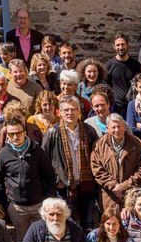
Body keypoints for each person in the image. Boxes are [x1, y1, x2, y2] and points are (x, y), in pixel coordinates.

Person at [0, 118, 56, 242]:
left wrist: (48, 199)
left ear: (24, 132)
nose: (15, 136)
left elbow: (50, 175)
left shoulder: (37, 151)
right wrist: (5, 203)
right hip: (17, 208)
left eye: (18, 133)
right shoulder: (4, 154)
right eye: (11, 134)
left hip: (39, 205)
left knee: (42, 240)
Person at [42, 95, 99, 229]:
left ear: (79, 112)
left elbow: (97, 157)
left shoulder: (89, 131)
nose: (70, 113)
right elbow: (44, 160)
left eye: (73, 109)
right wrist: (57, 180)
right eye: (66, 110)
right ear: (59, 112)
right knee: (66, 223)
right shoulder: (53, 132)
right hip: (64, 187)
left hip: (86, 185)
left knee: (88, 223)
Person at [91, 114, 141, 214]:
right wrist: (113, 186)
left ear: (124, 127)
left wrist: (125, 186)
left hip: (131, 193)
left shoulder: (137, 144)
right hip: (109, 194)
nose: (117, 130)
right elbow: (96, 169)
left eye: (119, 126)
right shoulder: (99, 145)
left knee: (130, 224)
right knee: (111, 224)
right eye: (113, 127)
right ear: (107, 128)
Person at [104, 34, 141, 113]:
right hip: (115, 106)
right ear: (114, 47)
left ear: (127, 45)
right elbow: (105, 87)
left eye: (123, 44)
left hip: (133, 105)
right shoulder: (108, 66)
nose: (120, 47)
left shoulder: (136, 65)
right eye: (118, 45)